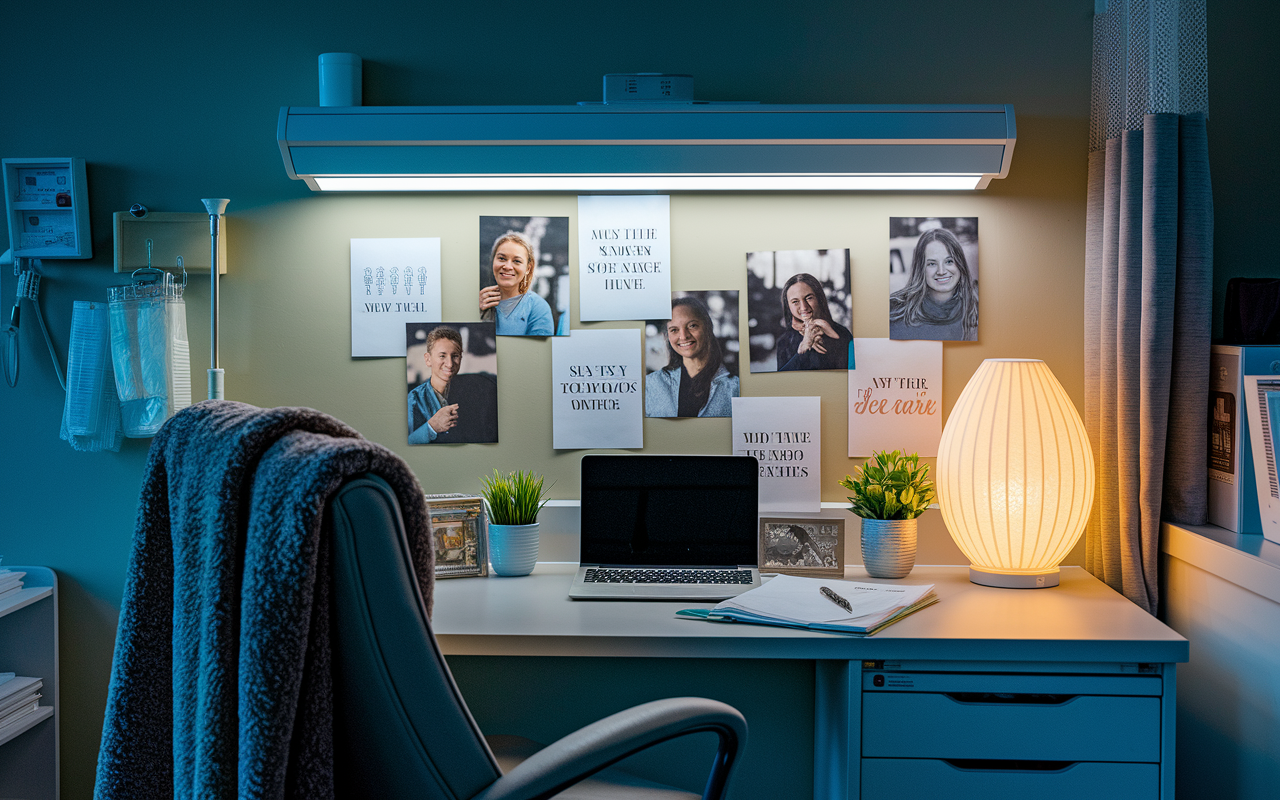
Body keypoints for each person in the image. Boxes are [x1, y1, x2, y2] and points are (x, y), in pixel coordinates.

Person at [645, 296, 739, 418]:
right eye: (674, 330)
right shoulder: (652, 384)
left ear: (707, 328)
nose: (683, 336)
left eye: (692, 326)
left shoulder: (733, 386)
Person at [407, 326, 498, 444]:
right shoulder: (414, 400)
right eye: (442, 356)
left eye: (455, 356)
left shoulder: (478, 392)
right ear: (428, 359)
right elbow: (404, 443)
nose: (449, 364)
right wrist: (432, 427)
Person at [889, 226, 978, 341]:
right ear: (920, 268)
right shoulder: (895, 313)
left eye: (949, 261)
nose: (941, 271)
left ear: (960, 264)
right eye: (932, 264)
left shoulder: (976, 308)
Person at [478, 231, 555, 336]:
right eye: (501, 258)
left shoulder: (538, 307)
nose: (507, 266)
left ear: (528, 268)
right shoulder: (479, 302)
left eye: (517, 261)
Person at [775, 273, 853, 371]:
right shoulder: (784, 342)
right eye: (795, 301)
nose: (804, 307)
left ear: (820, 299)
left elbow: (852, 374)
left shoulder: (842, 334)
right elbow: (782, 381)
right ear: (788, 306)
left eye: (809, 298)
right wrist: (802, 350)